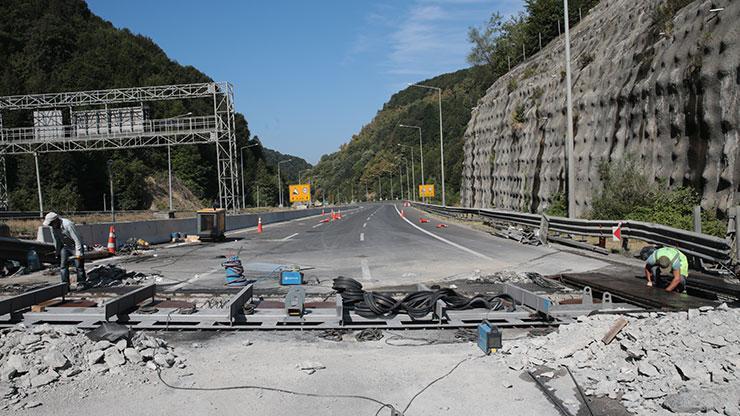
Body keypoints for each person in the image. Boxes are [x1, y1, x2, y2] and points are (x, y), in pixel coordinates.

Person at [43, 212, 87, 285]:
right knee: (63, 266)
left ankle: (81, 283)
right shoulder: (53, 228)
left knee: (78, 266)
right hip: (65, 246)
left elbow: (77, 239)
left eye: (51, 224)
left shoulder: (68, 224)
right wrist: (57, 252)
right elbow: (56, 240)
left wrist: (79, 252)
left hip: (75, 246)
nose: (50, 226)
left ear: (56, 220)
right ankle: (65, 285)